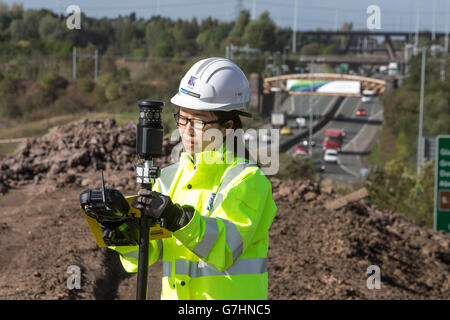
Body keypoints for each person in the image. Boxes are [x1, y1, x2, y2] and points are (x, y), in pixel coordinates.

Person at [110, 57, 277, 300]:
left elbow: (225, 250)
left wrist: (177, 219)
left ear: (227, 126)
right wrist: (119, 232)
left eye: (198, 121)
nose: (186, 130)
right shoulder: (169, 177)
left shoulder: (248, 180)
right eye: (182, 118)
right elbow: (149, 252)